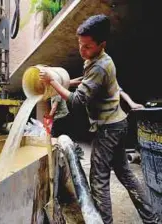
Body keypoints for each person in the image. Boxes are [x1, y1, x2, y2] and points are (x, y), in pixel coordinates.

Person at [40, 14, 160, 224]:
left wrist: (53, 82)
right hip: (118, 124)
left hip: (109, 129)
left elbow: (78, 102)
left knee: (98, 180)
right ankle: (153, 219)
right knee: (126, 173)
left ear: (101, 44)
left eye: (87, 46)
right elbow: (95, 83)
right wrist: (66, 81)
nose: (82, 50)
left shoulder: (100, 66)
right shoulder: (98, 60)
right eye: (80, 44)